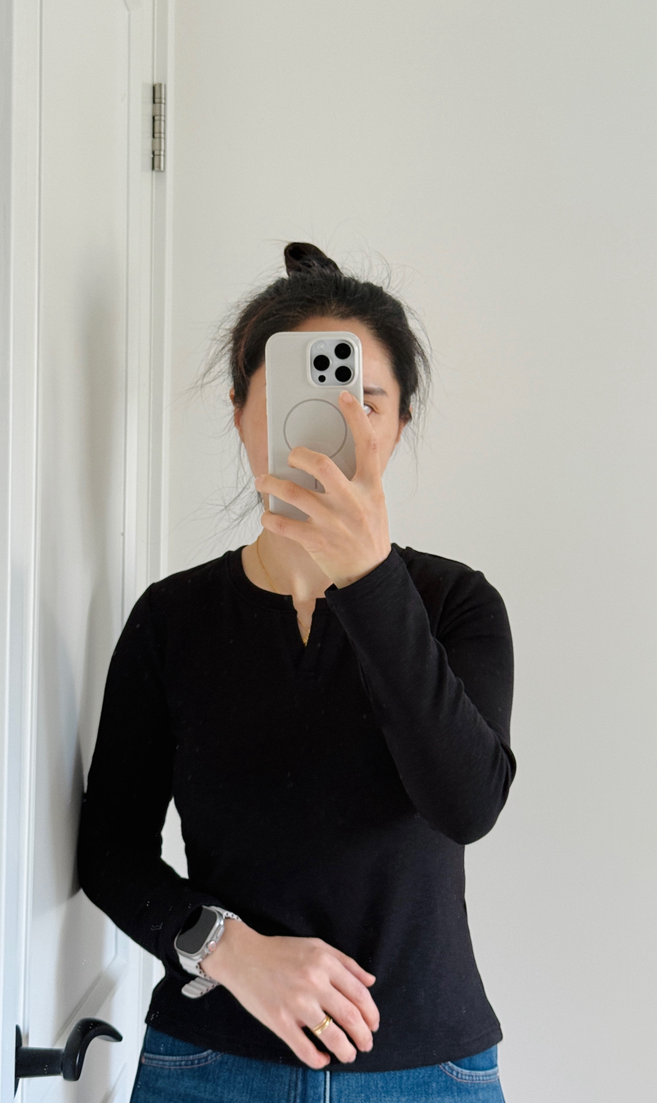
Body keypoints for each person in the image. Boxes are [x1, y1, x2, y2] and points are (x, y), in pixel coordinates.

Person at [76, 242, 516, 1103]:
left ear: (398, 423)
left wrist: (368, 579)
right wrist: (227, 948)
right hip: (206, 1066)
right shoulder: (173, 618)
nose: (329, 423)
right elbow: (110, 849)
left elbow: (465, 803)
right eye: (293, 400)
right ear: (241, 412)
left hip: (427, 1073)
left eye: (365, 400)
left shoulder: (457, 604)